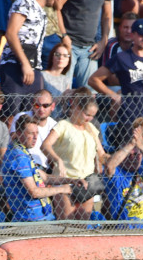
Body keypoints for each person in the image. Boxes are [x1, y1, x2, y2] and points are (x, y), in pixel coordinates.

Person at [89, 18, 143, 149]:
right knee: (129, 162)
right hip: (129, 121)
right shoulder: (122, 57)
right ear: (133, 35)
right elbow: (94, 79)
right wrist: (113, 95)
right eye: (141, 34)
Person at [0, 0, 65, 116]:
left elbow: (58, 5)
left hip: (33, 67)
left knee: (30, 117)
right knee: (12, 115)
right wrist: (25, 63)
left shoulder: (42, 11)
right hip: (15, 66)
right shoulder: (25, 2)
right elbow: (10, 33)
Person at [40, 88, 106, 219]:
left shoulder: (91, 128)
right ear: (77, 109)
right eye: (87, 114)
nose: (90, 119)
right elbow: (45, 146)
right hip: (66, 181)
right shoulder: (63, 125)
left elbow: (101, 154)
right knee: (66, 223)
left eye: (93, 116)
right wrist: (57, 160)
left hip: (87, 183)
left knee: (82, 226)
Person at [2, 113, 72, 221]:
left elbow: (46, 177)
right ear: (19, 133)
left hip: (41, 216)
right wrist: (62, 189)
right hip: (31, 218)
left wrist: (73, 181)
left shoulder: (23, 152)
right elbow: (34, 192)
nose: (35, 137)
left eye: (37, 133)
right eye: (31, 133)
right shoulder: (18, 156)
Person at [61, 0, 113, 88]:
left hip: (90, 48)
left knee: (88, 97)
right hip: (69, 45)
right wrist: (63, 36)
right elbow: (57, 8)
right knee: (61, 93)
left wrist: (104, 41)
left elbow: (107, 14)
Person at [102, 116, 143, 225]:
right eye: (129, 154)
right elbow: (109, 167)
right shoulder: (117, 174)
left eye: (136, 154)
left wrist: (142, 147)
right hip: (126, 233)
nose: (133, 158)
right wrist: (131, 144)